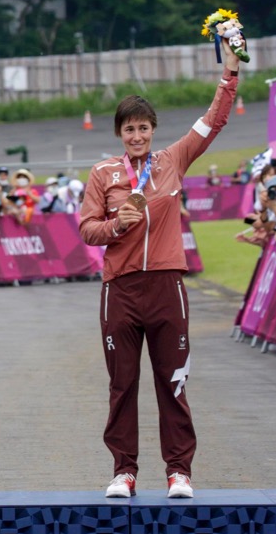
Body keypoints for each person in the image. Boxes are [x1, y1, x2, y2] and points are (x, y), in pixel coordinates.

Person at [79, 35, 241, 501]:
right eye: (129, 129)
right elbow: (87, 229)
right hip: (121, 290)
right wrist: (115, 225)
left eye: (144, 128)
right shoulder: (102, 174)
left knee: (173, 380)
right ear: (118, 133)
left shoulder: (172, 160)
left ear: (153, 130)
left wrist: (229, 73)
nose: (137, 136)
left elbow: (213, 123)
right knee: (122, 384)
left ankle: (179, 472)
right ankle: (124, 472)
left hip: (167, 284)